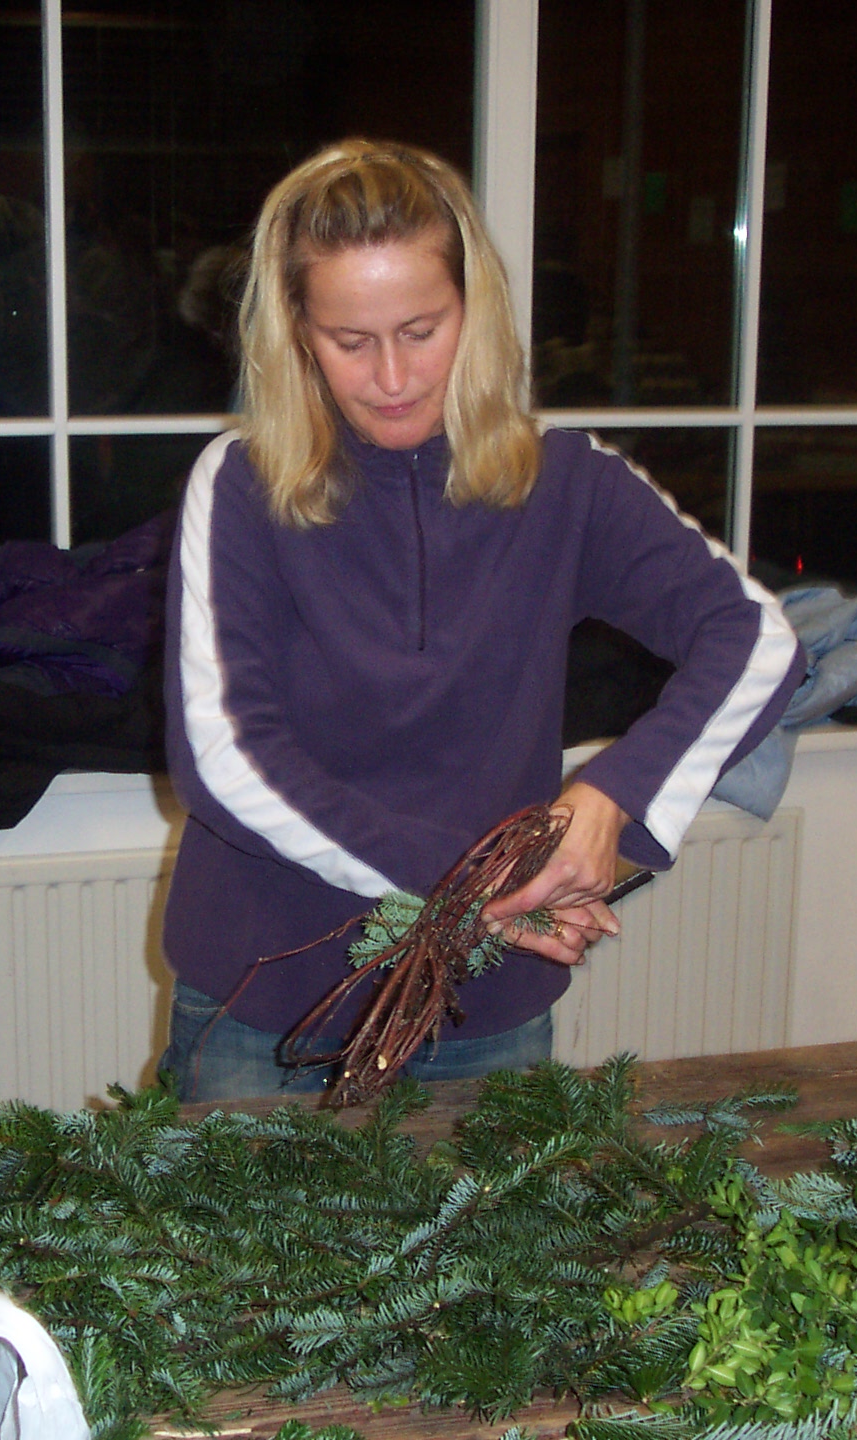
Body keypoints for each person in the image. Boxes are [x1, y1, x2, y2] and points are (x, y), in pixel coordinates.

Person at [157, 140, 806, 1102]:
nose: (392, 377)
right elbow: (226, 757)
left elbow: (757, 643)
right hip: (263, 1007)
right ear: (296, 332)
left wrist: (608, 800)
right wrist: (480, 888)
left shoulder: (568, 482)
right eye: (350, 341)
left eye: (422, 330)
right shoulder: (241, 487)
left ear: (477, 308)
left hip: (485, 1010)